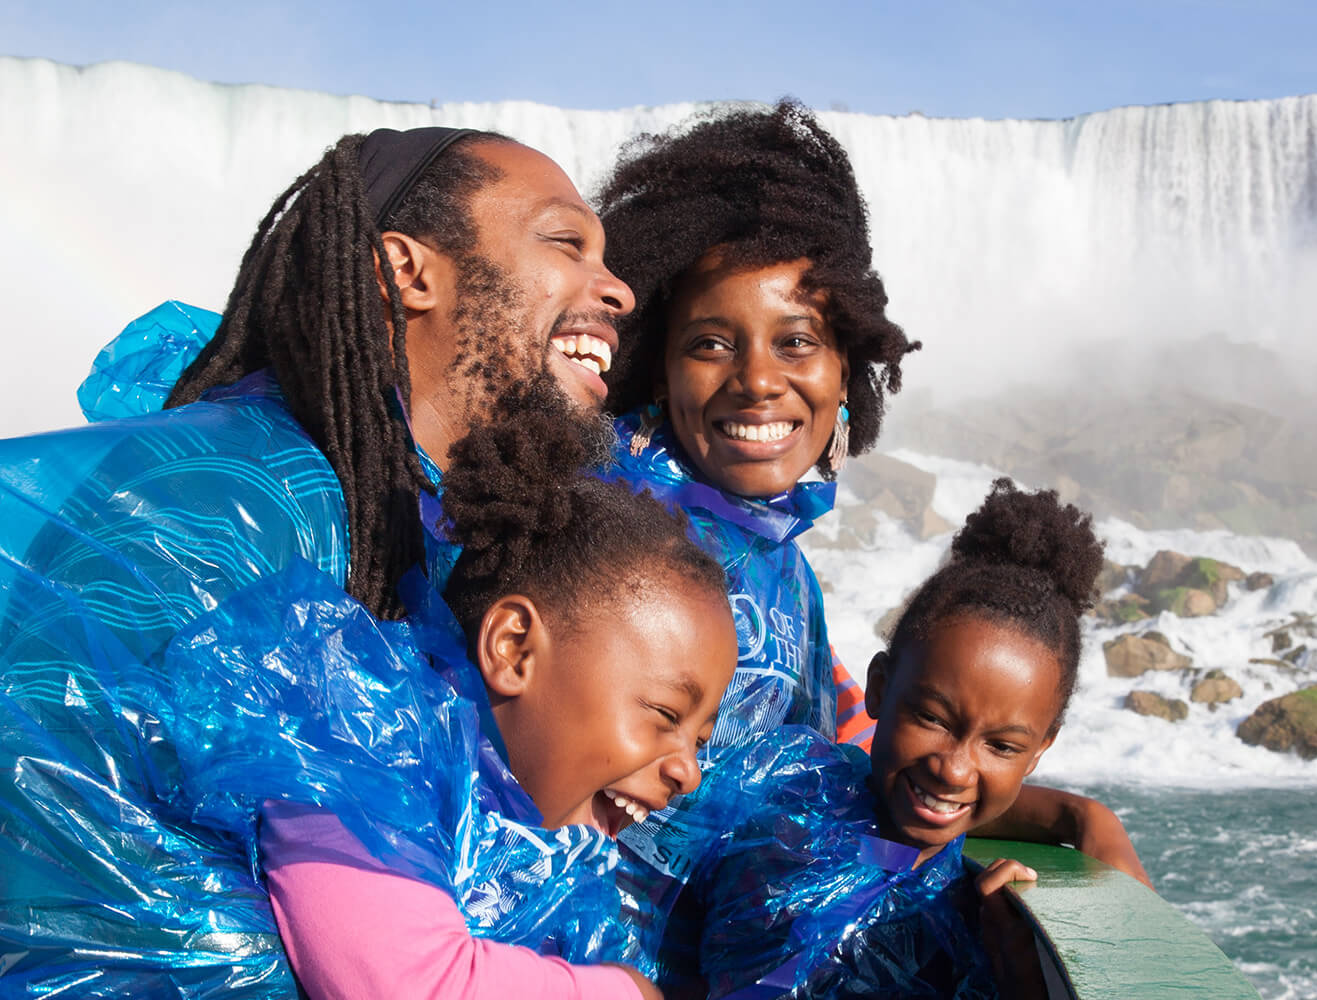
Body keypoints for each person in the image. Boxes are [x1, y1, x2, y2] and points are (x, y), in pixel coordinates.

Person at [0, 126, 634, 992]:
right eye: (567, 242)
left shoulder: (388, 513)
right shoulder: (240, 500)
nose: (620, 290)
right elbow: (57, 865)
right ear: (406, 272)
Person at [591, 103, 1145, 972]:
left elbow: (862, 752)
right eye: (709, 344)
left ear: (846, 369)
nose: (759, 381)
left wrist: (1074, 818)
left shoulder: (783, 570)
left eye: (798, 341)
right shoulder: (606, 544)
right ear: (656, 368)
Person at [159, 397, 740, 1000]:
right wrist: (625, 993)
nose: (688, 773)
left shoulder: (540, 852)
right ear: (515, 650)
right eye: (667, 715)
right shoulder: (365, 752)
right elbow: (409, 983)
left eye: (699, 739)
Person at [685, 478, 1101, 999]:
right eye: (932, 718)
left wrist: (1018, 969)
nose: (953, 769)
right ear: (878, 688)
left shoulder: (974, 917)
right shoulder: (785, 793)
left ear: (1040, 751)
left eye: (1002, 747)